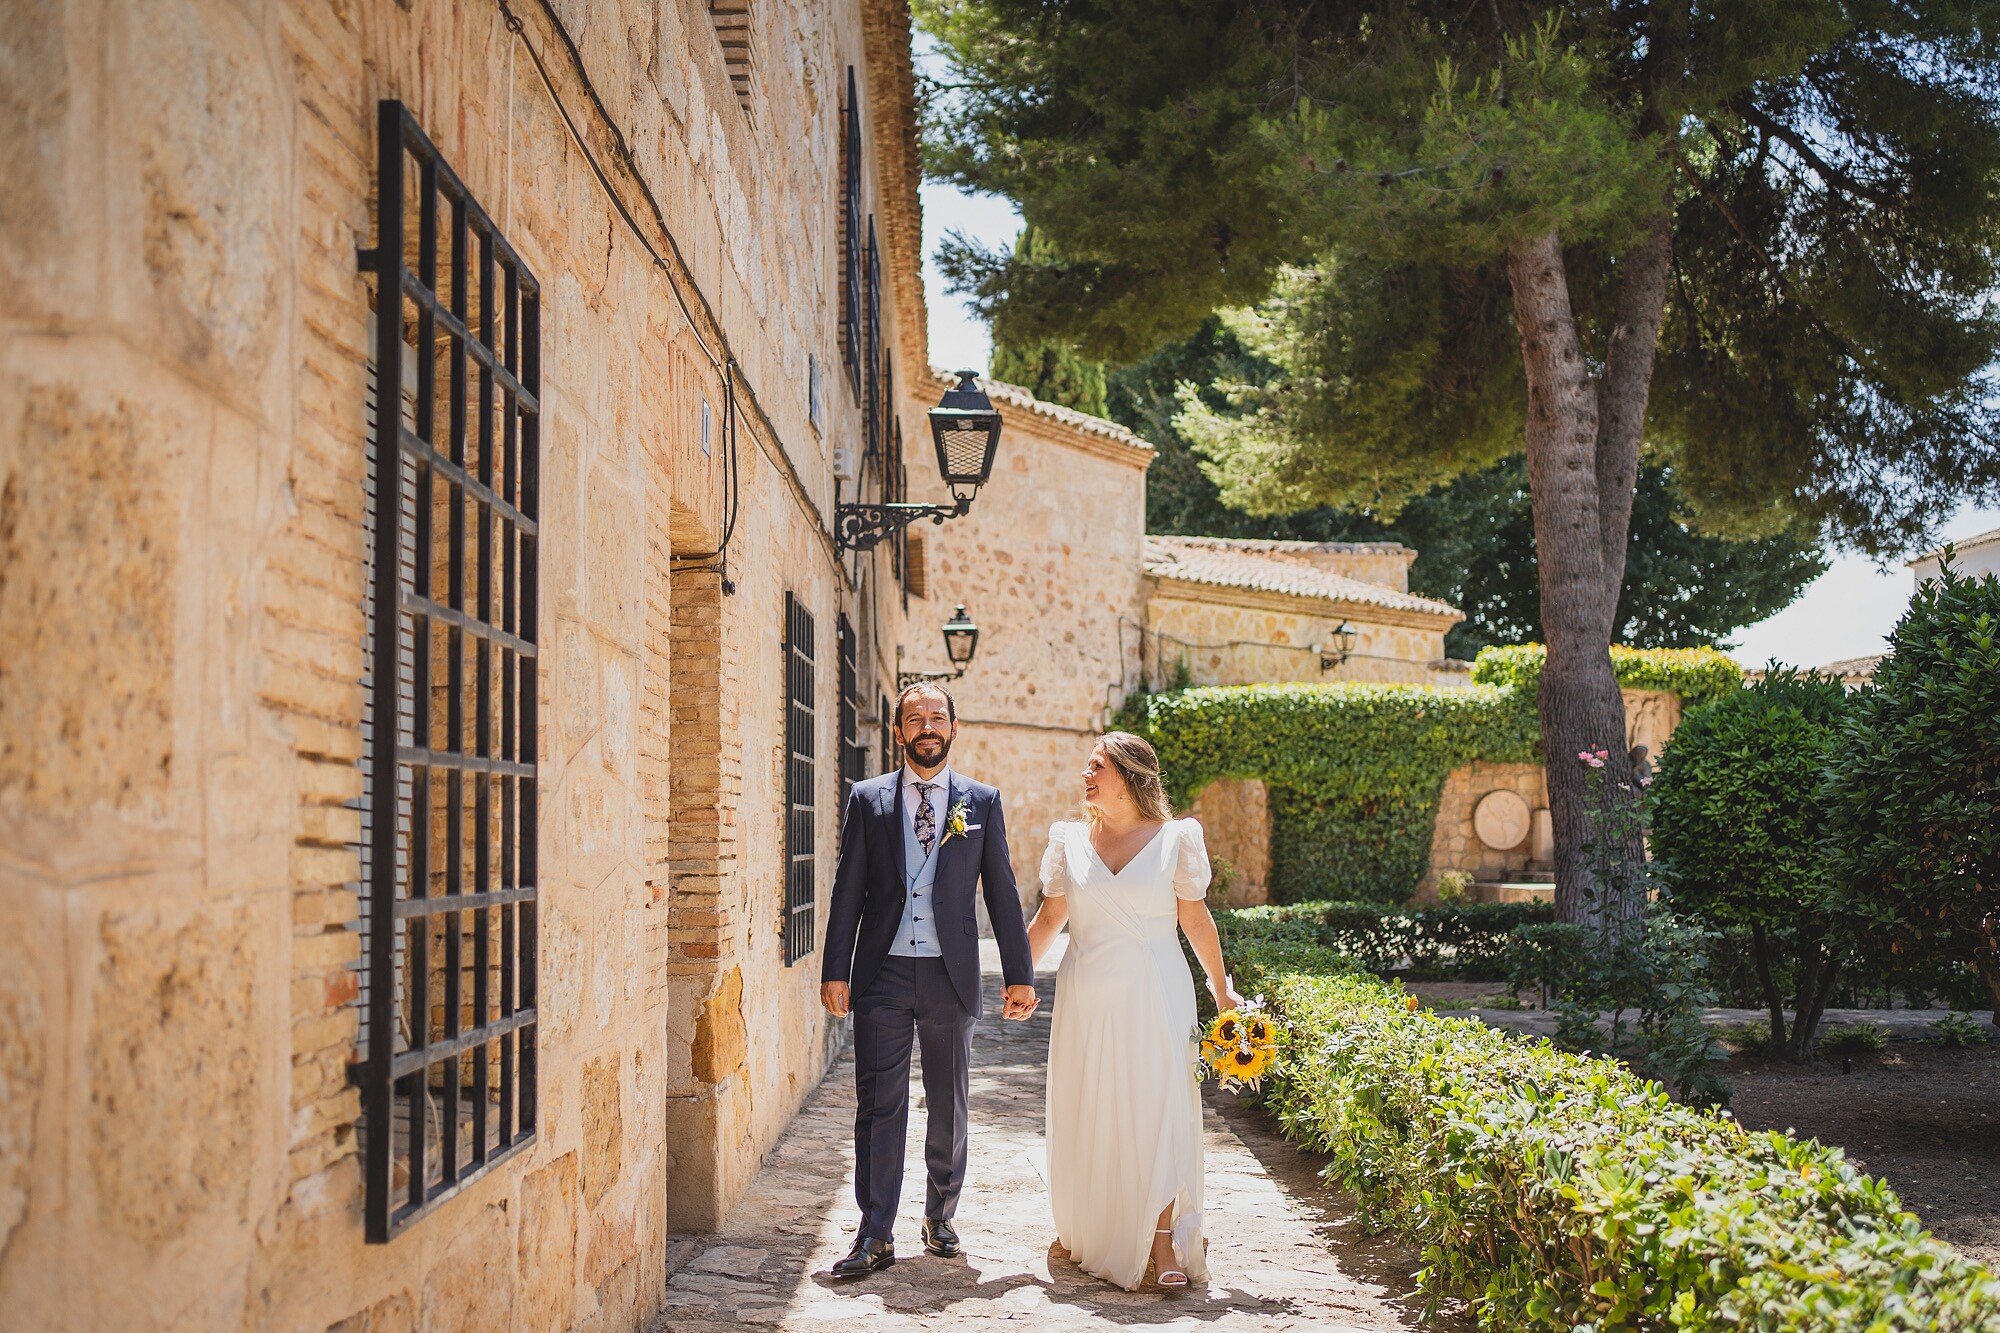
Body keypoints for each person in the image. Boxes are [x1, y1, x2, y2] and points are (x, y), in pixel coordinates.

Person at [819, 682, 1038, 1277]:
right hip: (883, 973)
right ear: (898, 732)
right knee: (879, 1104)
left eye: (936, 718)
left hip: (950, 974)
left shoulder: (982, 801)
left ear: (954, 728)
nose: (926, 728)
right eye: (914, 719)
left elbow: (1001, 889)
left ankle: (940, 1216)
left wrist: (1020, 973)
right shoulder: (867, 799)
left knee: (948, 1103)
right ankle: (875, 1231)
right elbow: (847, 892)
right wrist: (834, 969)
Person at [1026, 731, 1242, 1292]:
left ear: (1129, 776)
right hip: (1087, 997)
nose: (1085, 775)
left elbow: (1195, 920)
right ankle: (1101, 1226)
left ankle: (1164, 1238)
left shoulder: (1176, 839)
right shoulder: (1068, 840)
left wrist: (1222, 992)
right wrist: (1017, 980)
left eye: (1096, 766)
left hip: (1157, 991)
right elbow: (1051, 920)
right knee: (1095, 1105)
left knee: (1161, 1106)